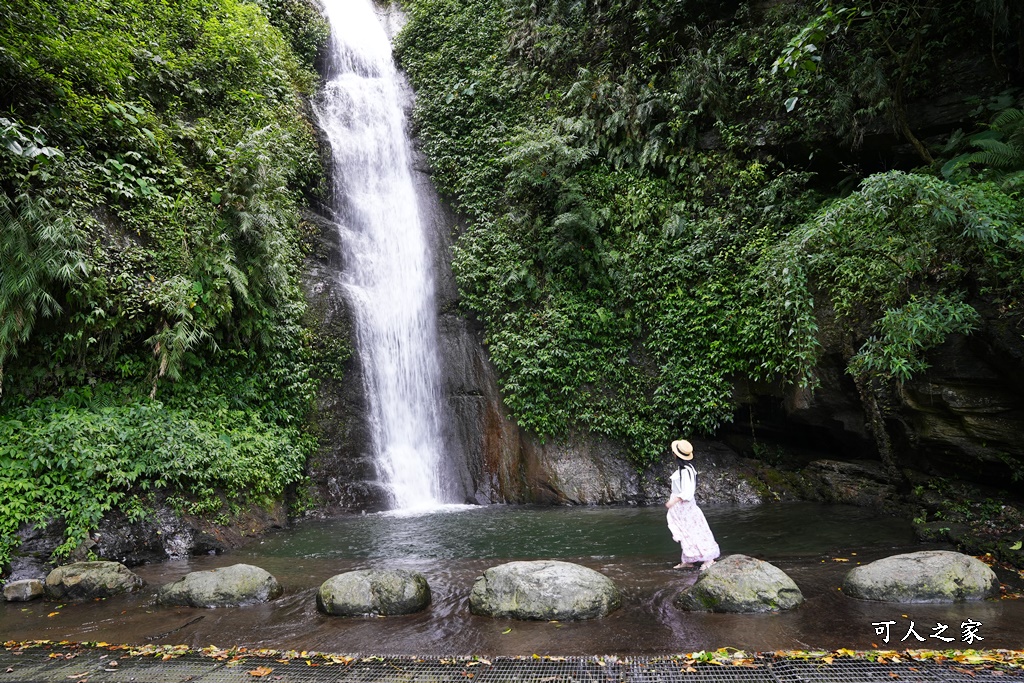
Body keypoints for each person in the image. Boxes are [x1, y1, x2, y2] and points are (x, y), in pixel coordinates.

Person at [665, 438, 721, 570]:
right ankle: (688, 559)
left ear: (676, 455)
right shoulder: (686, 468)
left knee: (694, 531)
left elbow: (687, 493)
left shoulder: (686, 471)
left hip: (685, 507)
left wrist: (673, 500)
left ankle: (708, 559)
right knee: (686, 532)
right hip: (681, 508)